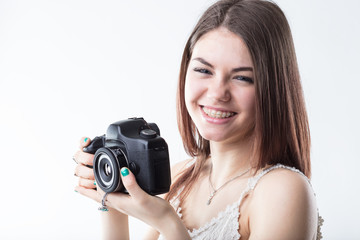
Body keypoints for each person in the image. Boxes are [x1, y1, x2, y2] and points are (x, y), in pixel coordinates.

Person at [73, 0, 323, 239]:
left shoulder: (283, 191)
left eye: (242, 78)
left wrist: (168, 223)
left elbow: (169, 225)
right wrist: (111, 195)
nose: (217, 93)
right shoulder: (182, 178)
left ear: (274, 89)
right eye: (204, 70)